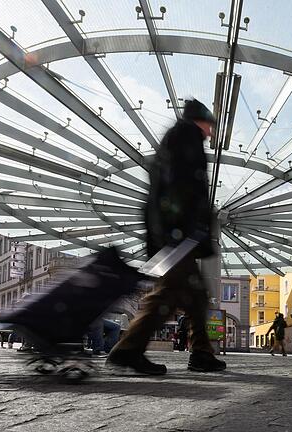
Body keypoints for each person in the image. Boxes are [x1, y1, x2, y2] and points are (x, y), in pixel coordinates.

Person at [107, 99, 226, 375]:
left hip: (174, 232)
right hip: (177, 235)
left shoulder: (179, 137)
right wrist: (185, 230)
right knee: (168, 292)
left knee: (196, 295)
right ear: (201, 121)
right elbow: (183, 186)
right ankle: (128, 350)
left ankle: (201, 353)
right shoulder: (186, 136)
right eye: (209, 125)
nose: (210, 132)